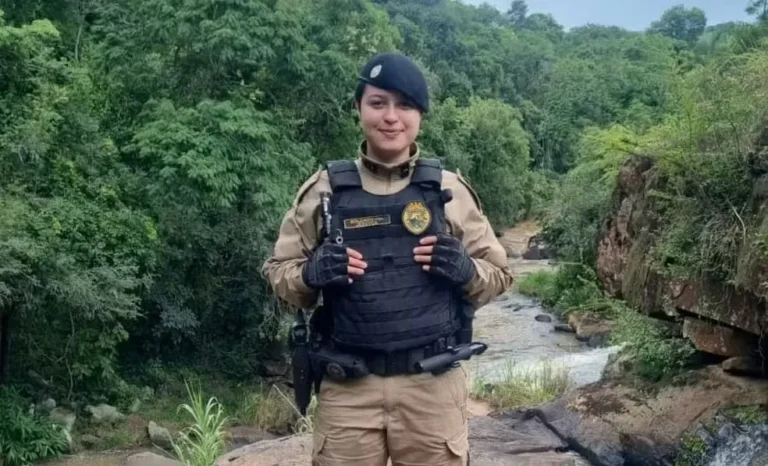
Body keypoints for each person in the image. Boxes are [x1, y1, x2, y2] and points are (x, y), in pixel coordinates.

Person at [261, 52, 514, 466]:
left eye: (405, 105)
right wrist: (311, 274)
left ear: (420, 115)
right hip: (348, 389)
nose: (391, 117)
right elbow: (278, 273)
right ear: (359, 108)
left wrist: (466, 270)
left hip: (432, 385)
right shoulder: (324, 192)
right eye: (378, 103)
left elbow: (500, 275)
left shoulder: (449, 191)